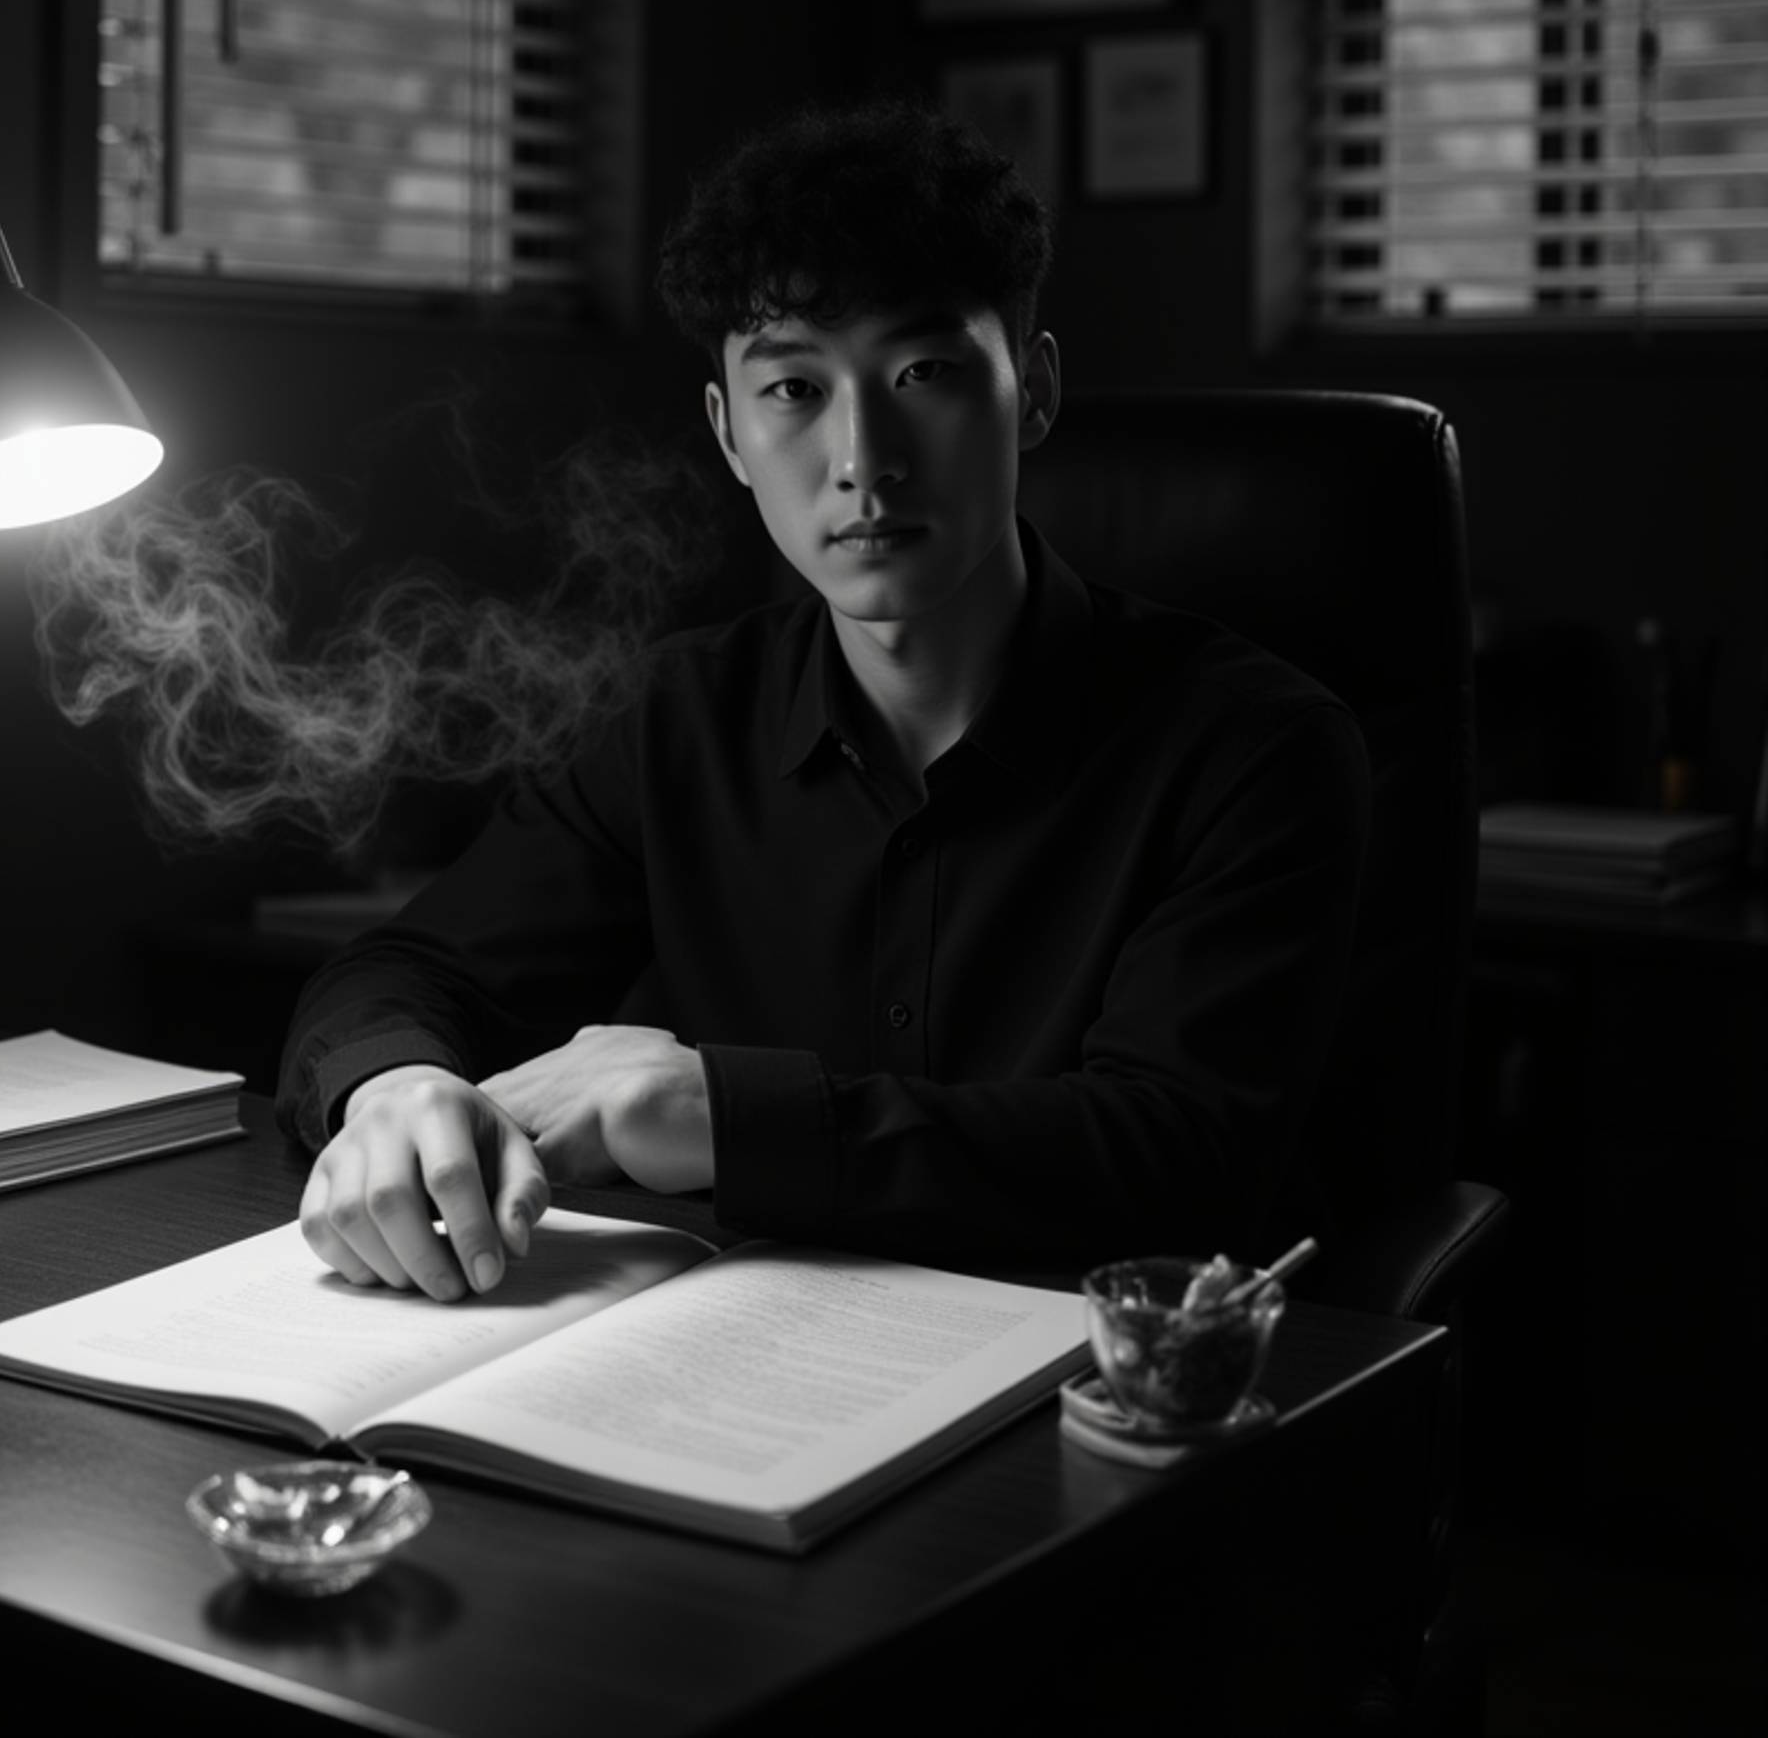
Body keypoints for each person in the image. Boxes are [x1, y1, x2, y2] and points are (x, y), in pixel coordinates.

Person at [276, 97, 1368, 1301]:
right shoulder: (682, 717)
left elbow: (1180, 1158)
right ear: (729, 434)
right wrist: (394, 1089)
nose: (861, 457)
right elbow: (397, 977)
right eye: (792, 390)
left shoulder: (1254, 747)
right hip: (742, 1382)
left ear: (1034, 390)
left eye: (924, 371)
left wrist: (720, 1114)